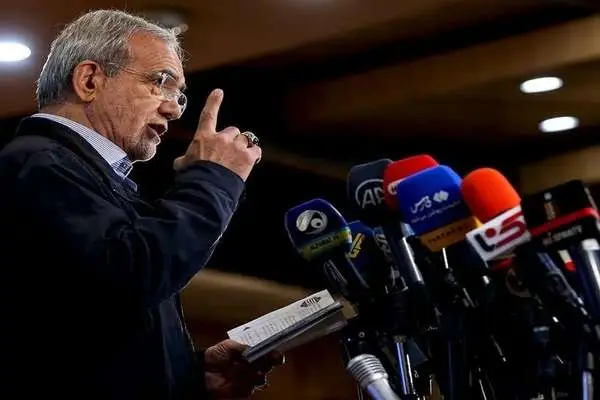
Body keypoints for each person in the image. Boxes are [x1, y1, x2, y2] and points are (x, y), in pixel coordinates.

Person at [0, 9, 283, 399]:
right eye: (160, 82)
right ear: (89, 80)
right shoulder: (37, 164)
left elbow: (94, 325)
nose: (174, 108)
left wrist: (188, 375)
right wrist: (214, 178)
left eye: (179, 95)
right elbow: (137, 270)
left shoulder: (81, 174)